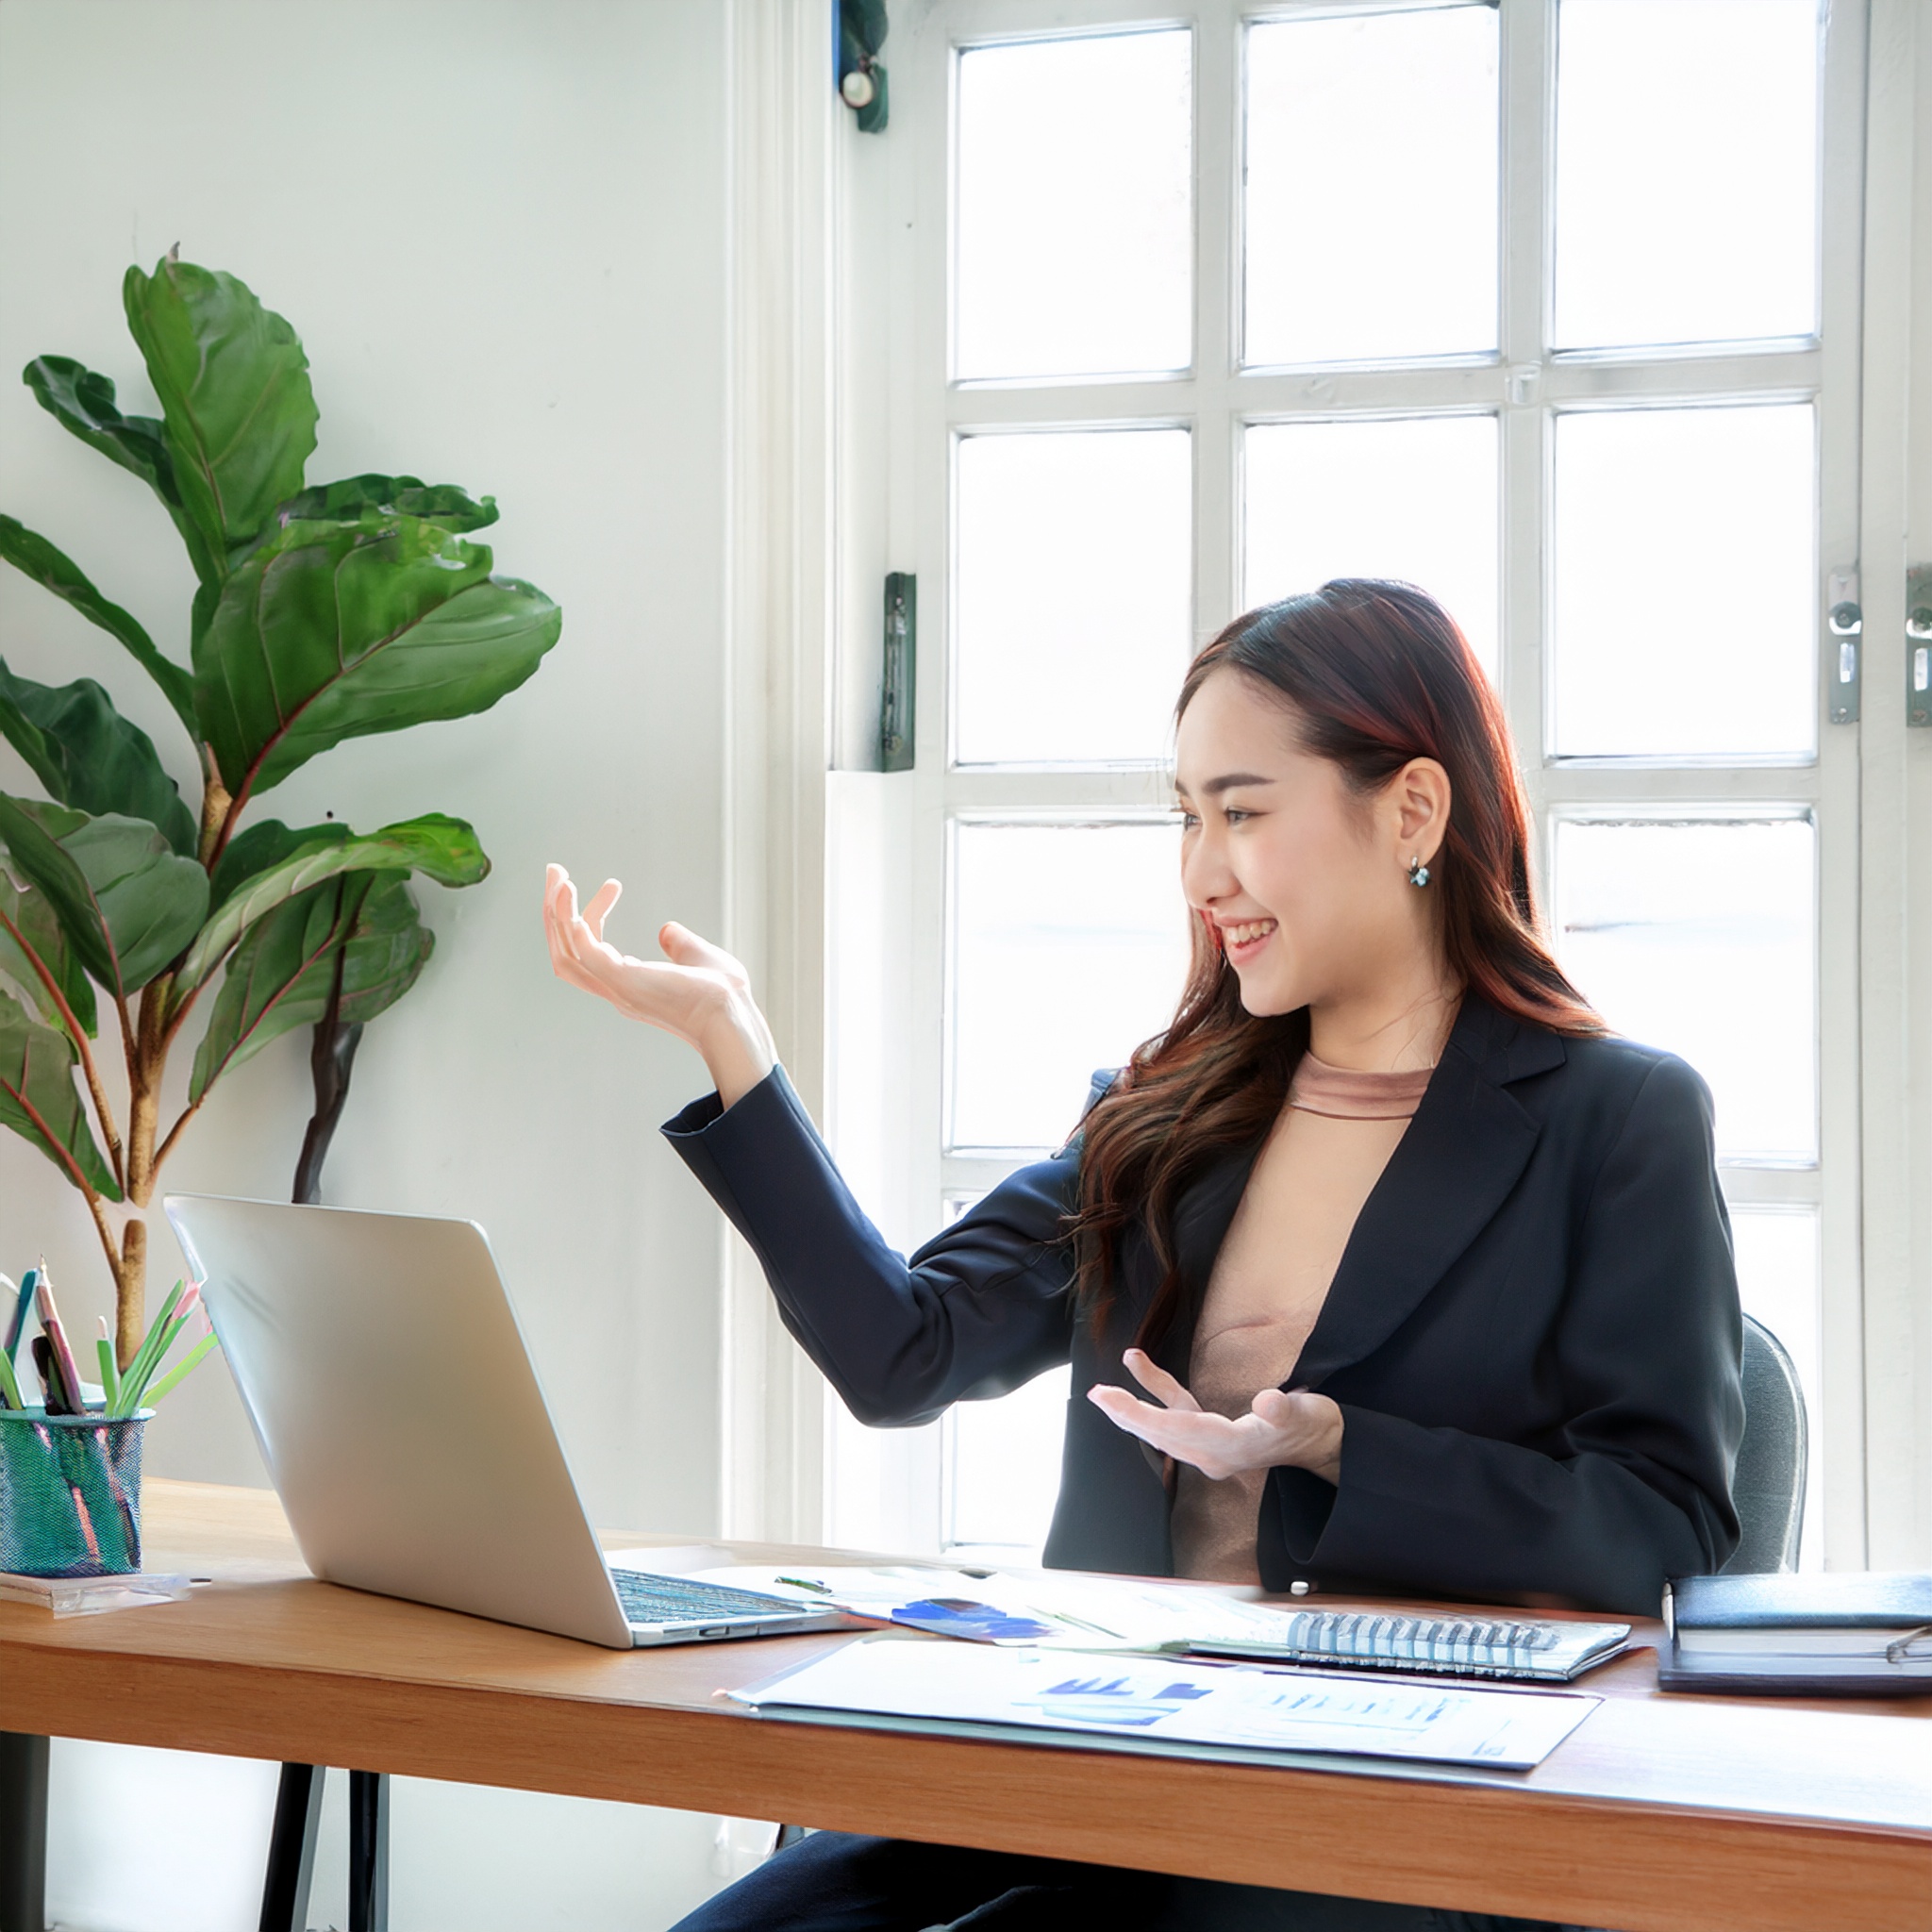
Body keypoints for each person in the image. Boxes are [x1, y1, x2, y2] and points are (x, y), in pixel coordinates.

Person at [542, 579, 1743, 1932]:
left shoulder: (1616, 1118)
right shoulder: (1164, 1111)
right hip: (1085, 1757)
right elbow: (903, 1354)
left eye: (1241, 812)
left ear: (1410, 810)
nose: (1199, 873)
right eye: (1185, 817)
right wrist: (737, 1049)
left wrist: (1335, 1445)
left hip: (1380, 1803)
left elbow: (1665, 1529)